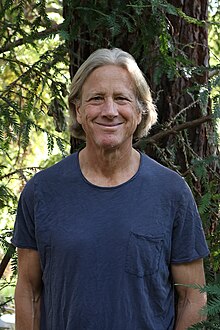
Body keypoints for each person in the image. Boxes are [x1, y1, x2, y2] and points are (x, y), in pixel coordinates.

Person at [12, 48, 209, 330]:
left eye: (121, 99)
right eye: (96, 99)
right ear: (78, 110)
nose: (109, 111)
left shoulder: (171, 193)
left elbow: (193, 297)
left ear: (140, 111)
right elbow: (29, 292)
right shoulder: (42, 192)